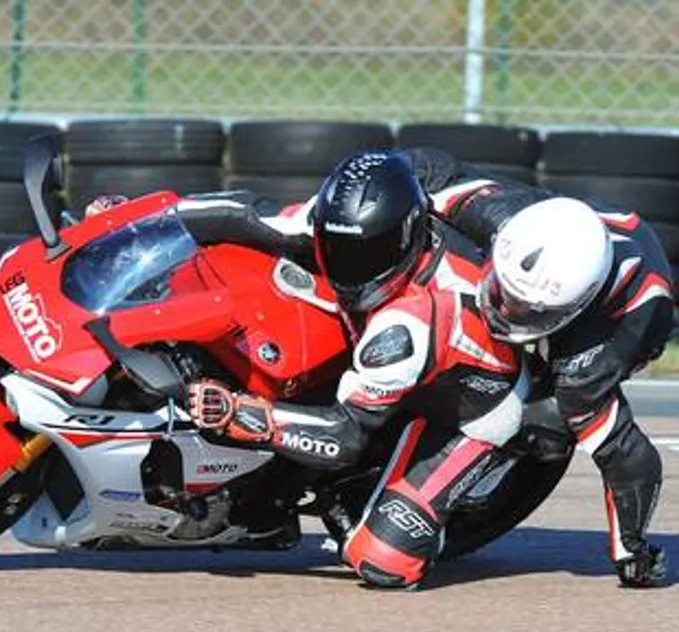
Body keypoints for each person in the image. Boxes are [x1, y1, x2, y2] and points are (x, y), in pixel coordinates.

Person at [172, 150, 529, 590]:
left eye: (368, 253)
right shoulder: (334, 226)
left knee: (383, 563)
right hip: (393, 361)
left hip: (472, 411)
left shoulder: (410, 324)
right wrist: (138, 220)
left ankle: (430, 496)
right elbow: (243, 214)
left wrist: (244, 415)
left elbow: (343, 438)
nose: (349, 266)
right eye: (338, 249)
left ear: (407, 237)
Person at [422, 159, 675, 588]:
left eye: (519, 308)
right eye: (504, 294)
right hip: (564, 236)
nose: (503, 311)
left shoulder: (600, 350)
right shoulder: (508, 216)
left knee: (556, 418)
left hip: (619, 321)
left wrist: (631, 550)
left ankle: (481, 482)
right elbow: (427, 171)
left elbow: (629, 457)